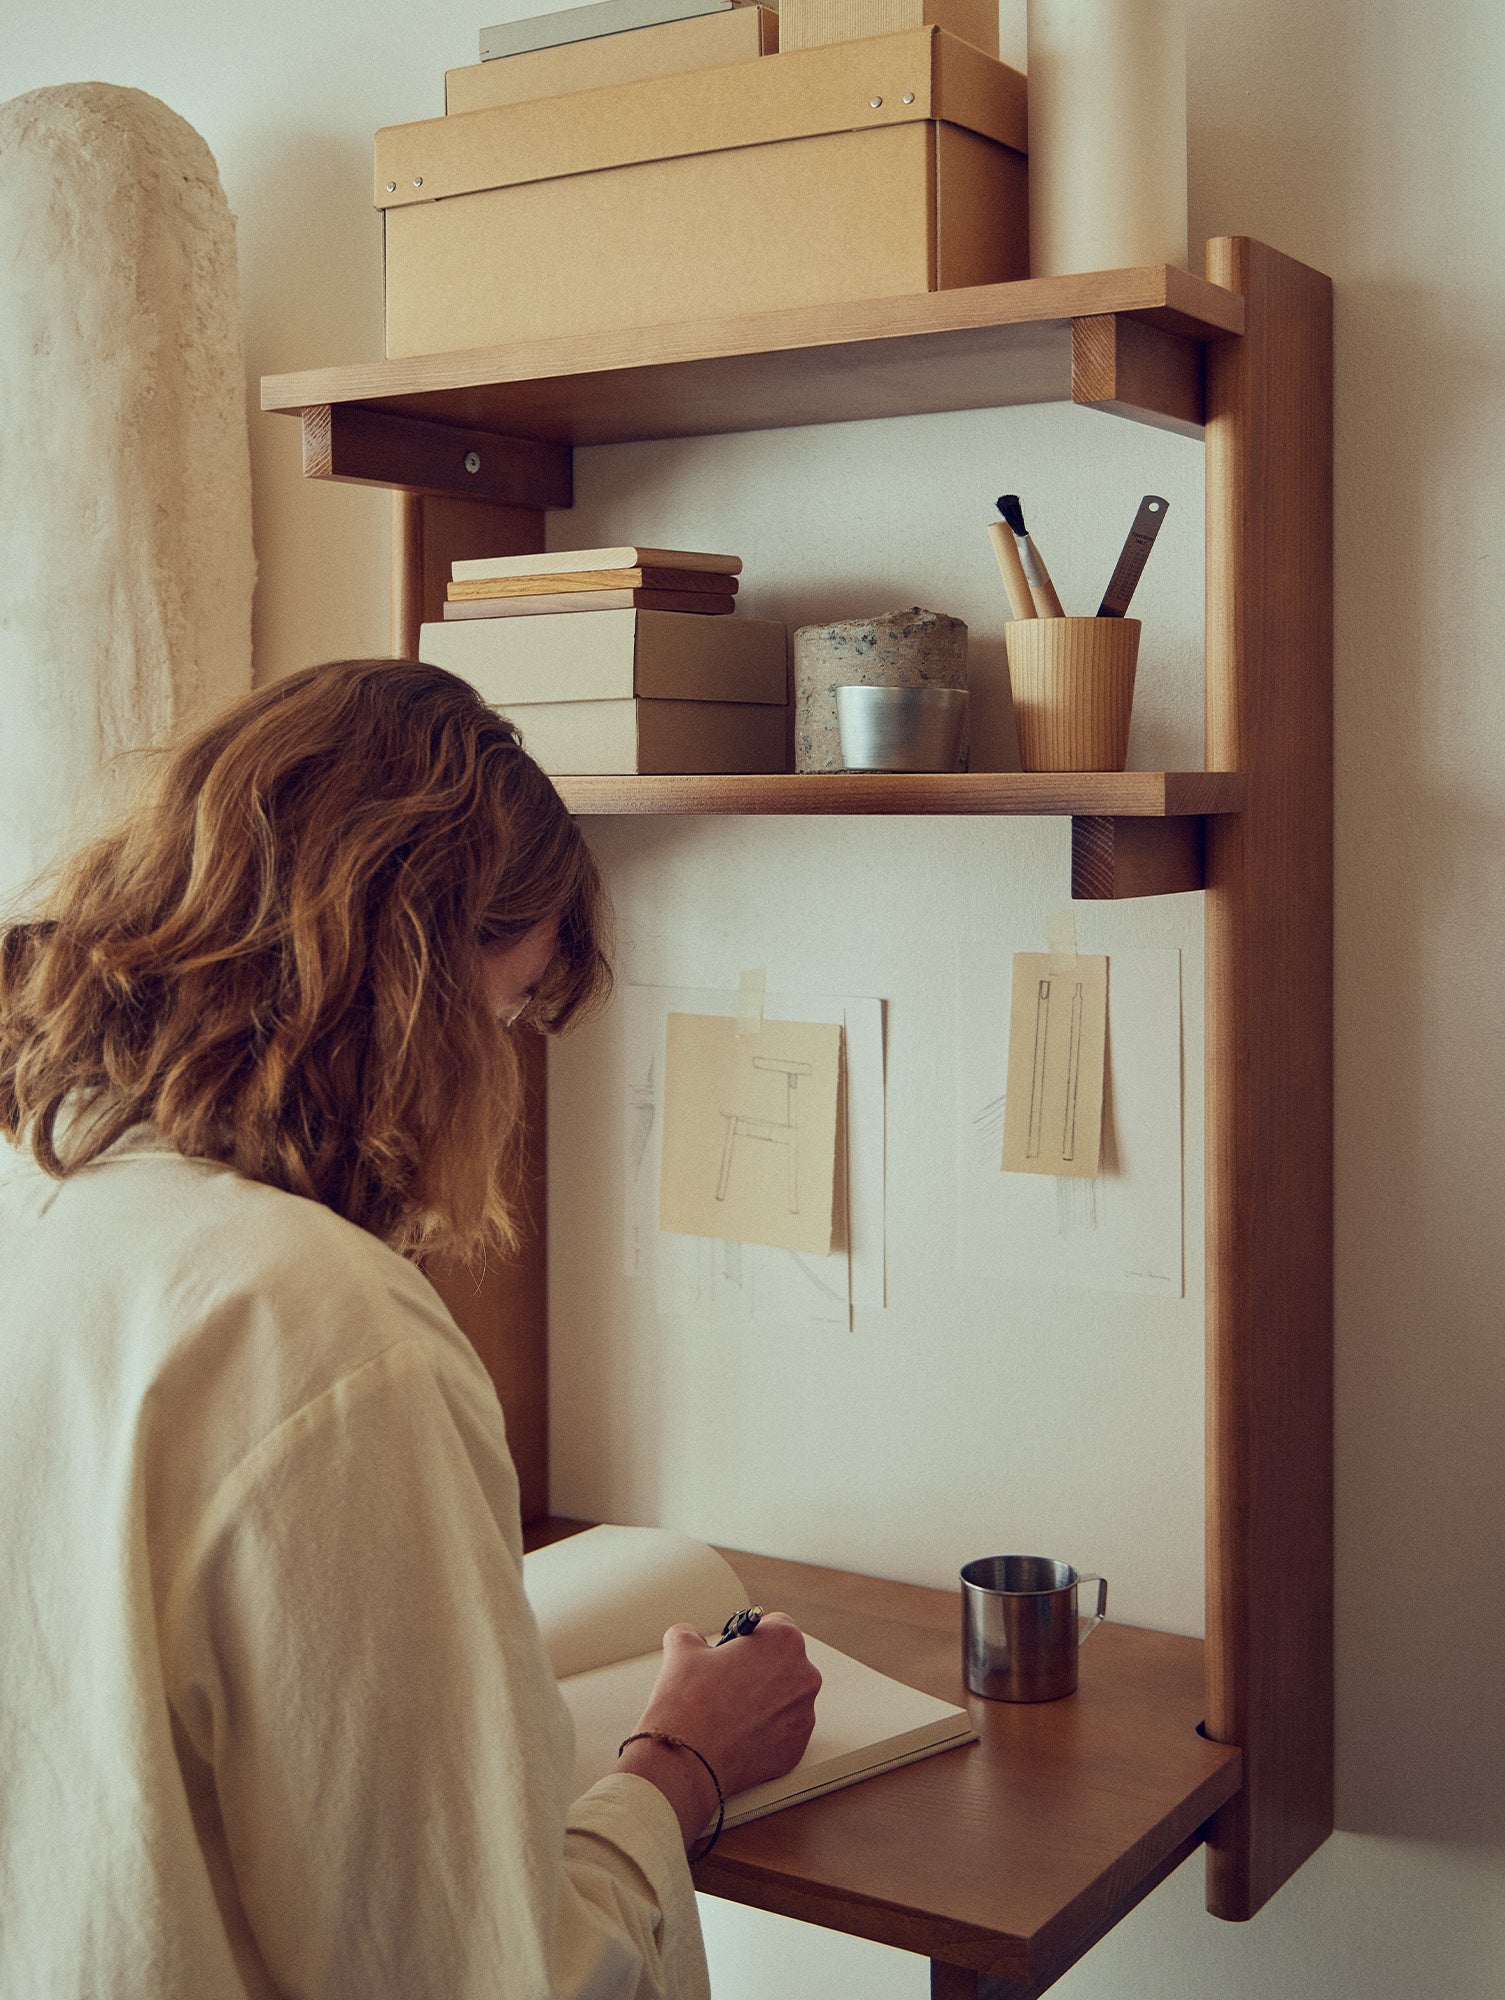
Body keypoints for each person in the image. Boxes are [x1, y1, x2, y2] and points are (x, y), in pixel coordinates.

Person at [0, 658, 821, 1999]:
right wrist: (681, 1764)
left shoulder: (42, 1187)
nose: (500, 1072)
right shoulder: (320, 1325)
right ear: (417, 988)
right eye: (505, 1014)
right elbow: (475, 1972)